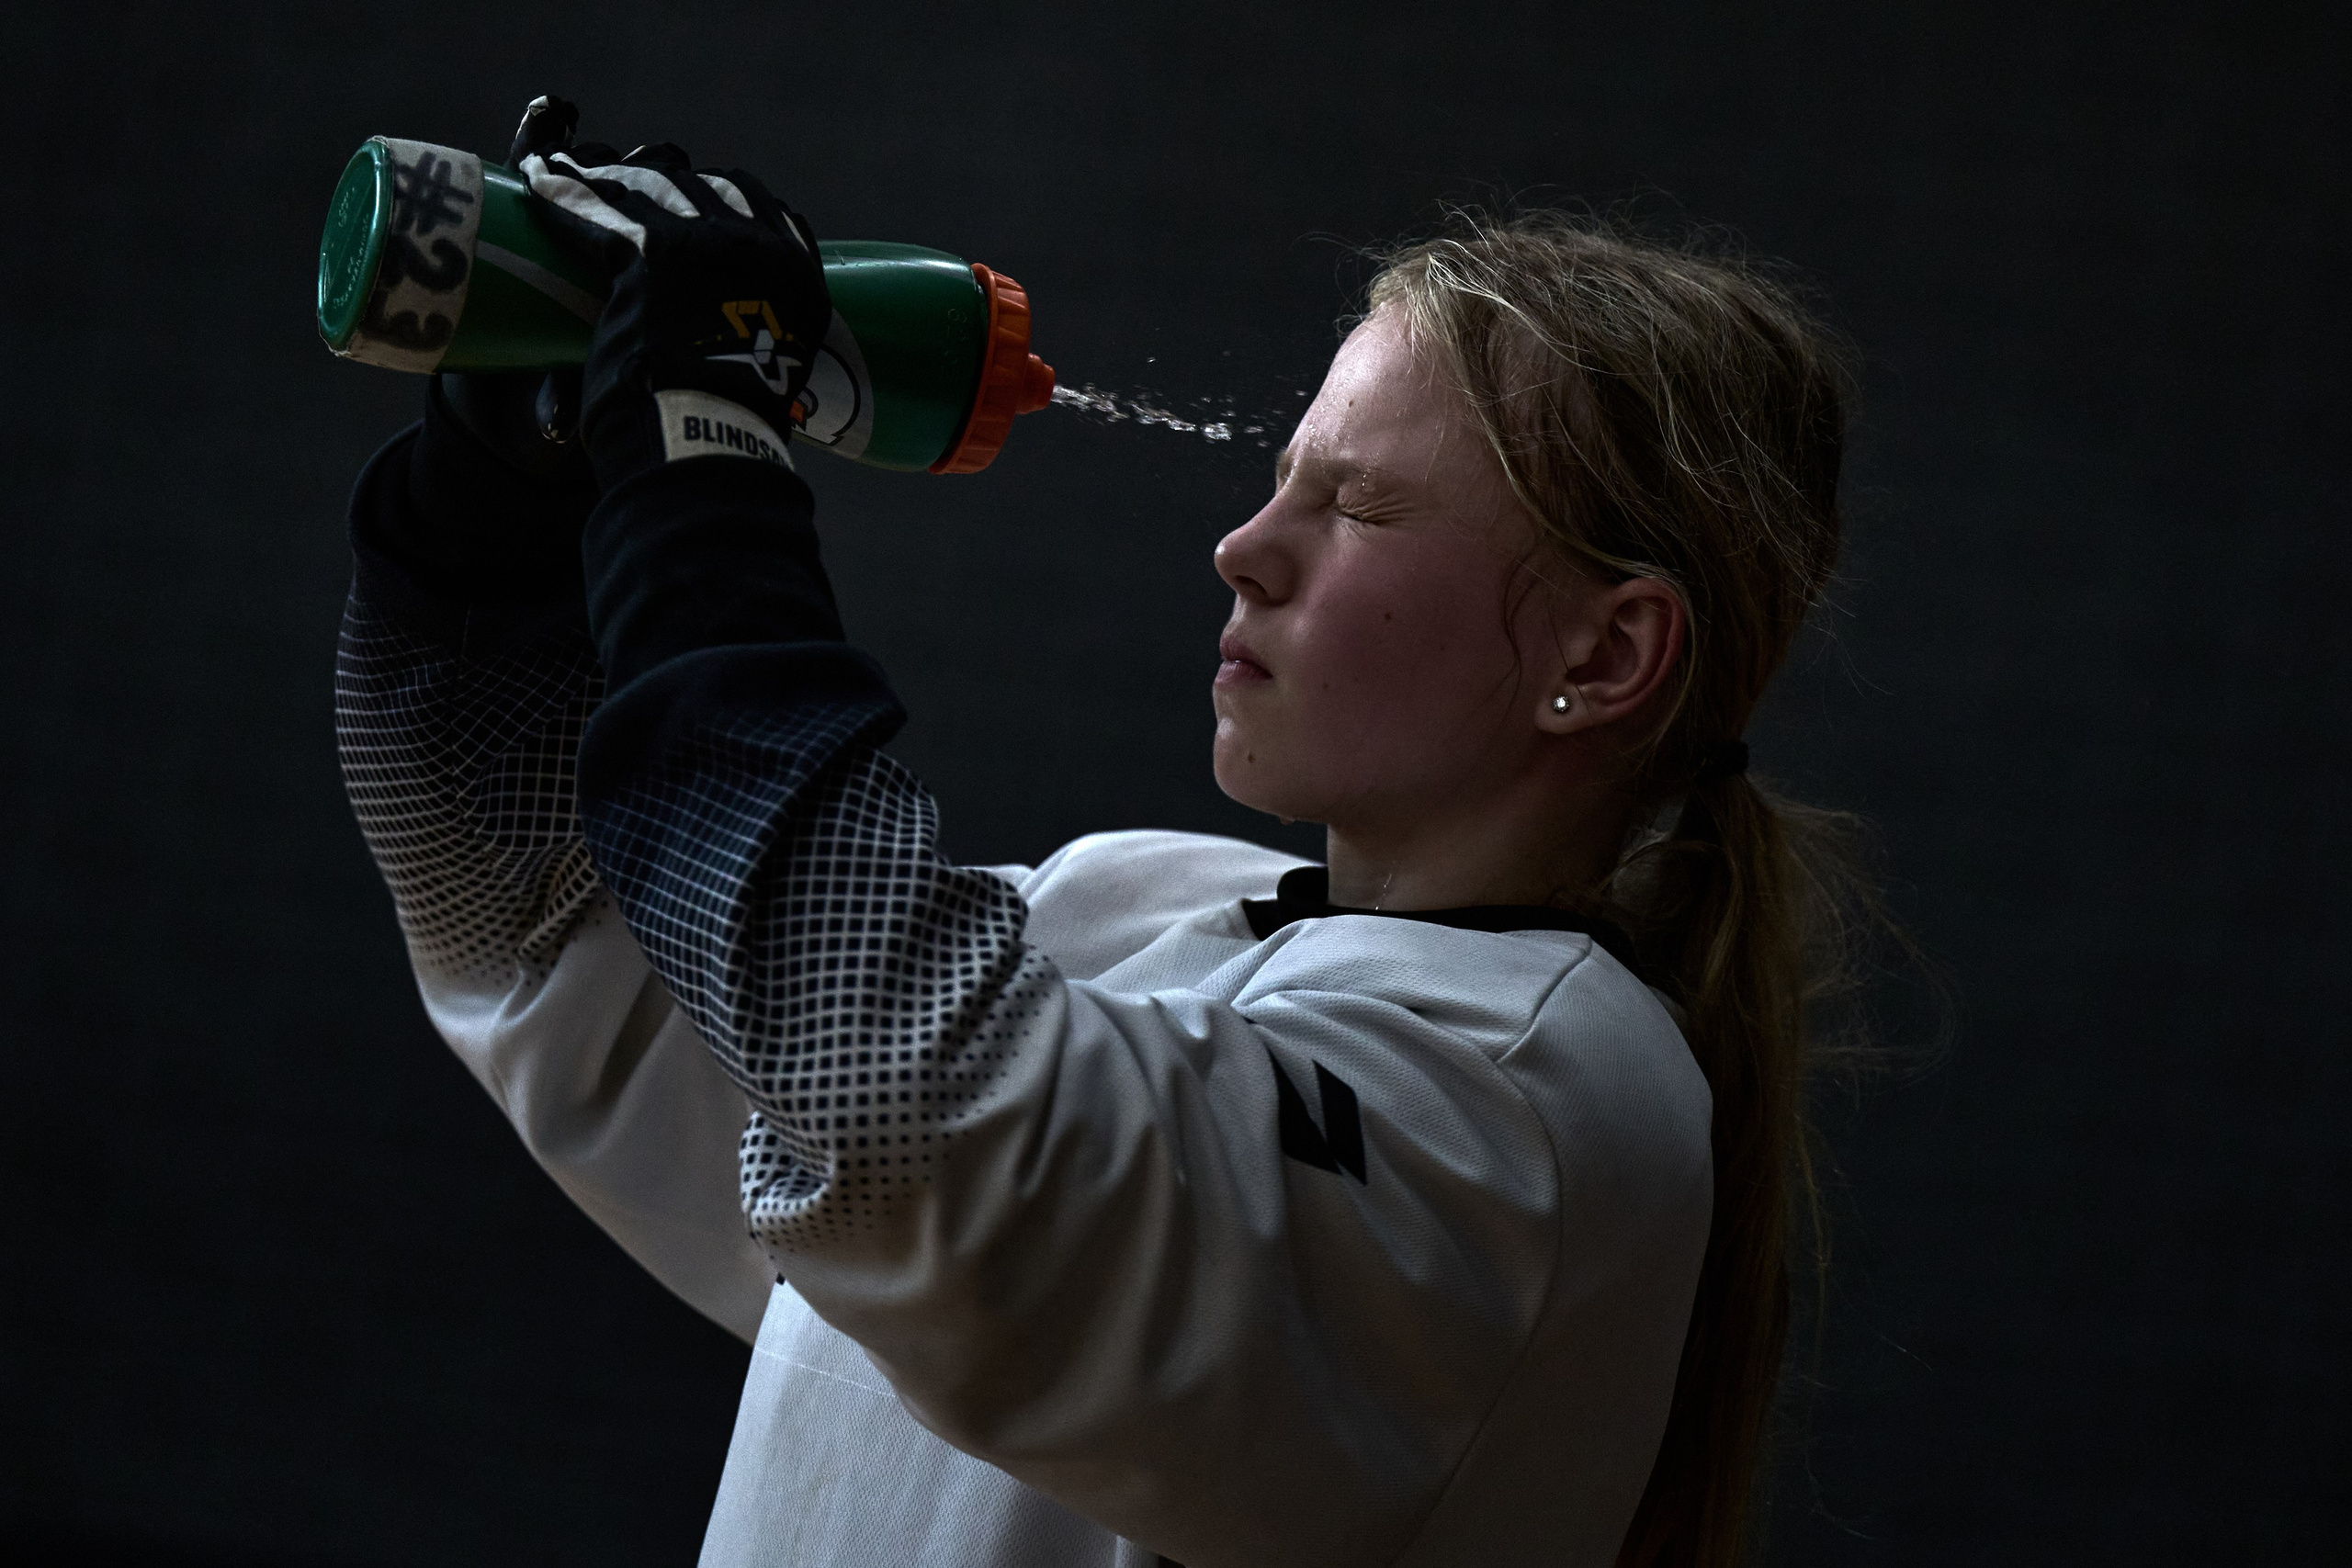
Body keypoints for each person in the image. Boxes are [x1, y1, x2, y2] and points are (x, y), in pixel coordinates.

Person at [338, 95, 1856, 1568]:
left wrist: (703, 488)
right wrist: (489, 514)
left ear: (1605, 654)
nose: (1244, 550)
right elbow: (559, 950)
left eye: (1359, 506)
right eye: (1280, 483)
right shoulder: (1134, 910)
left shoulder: (1544, 1097)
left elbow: (922, 1137)